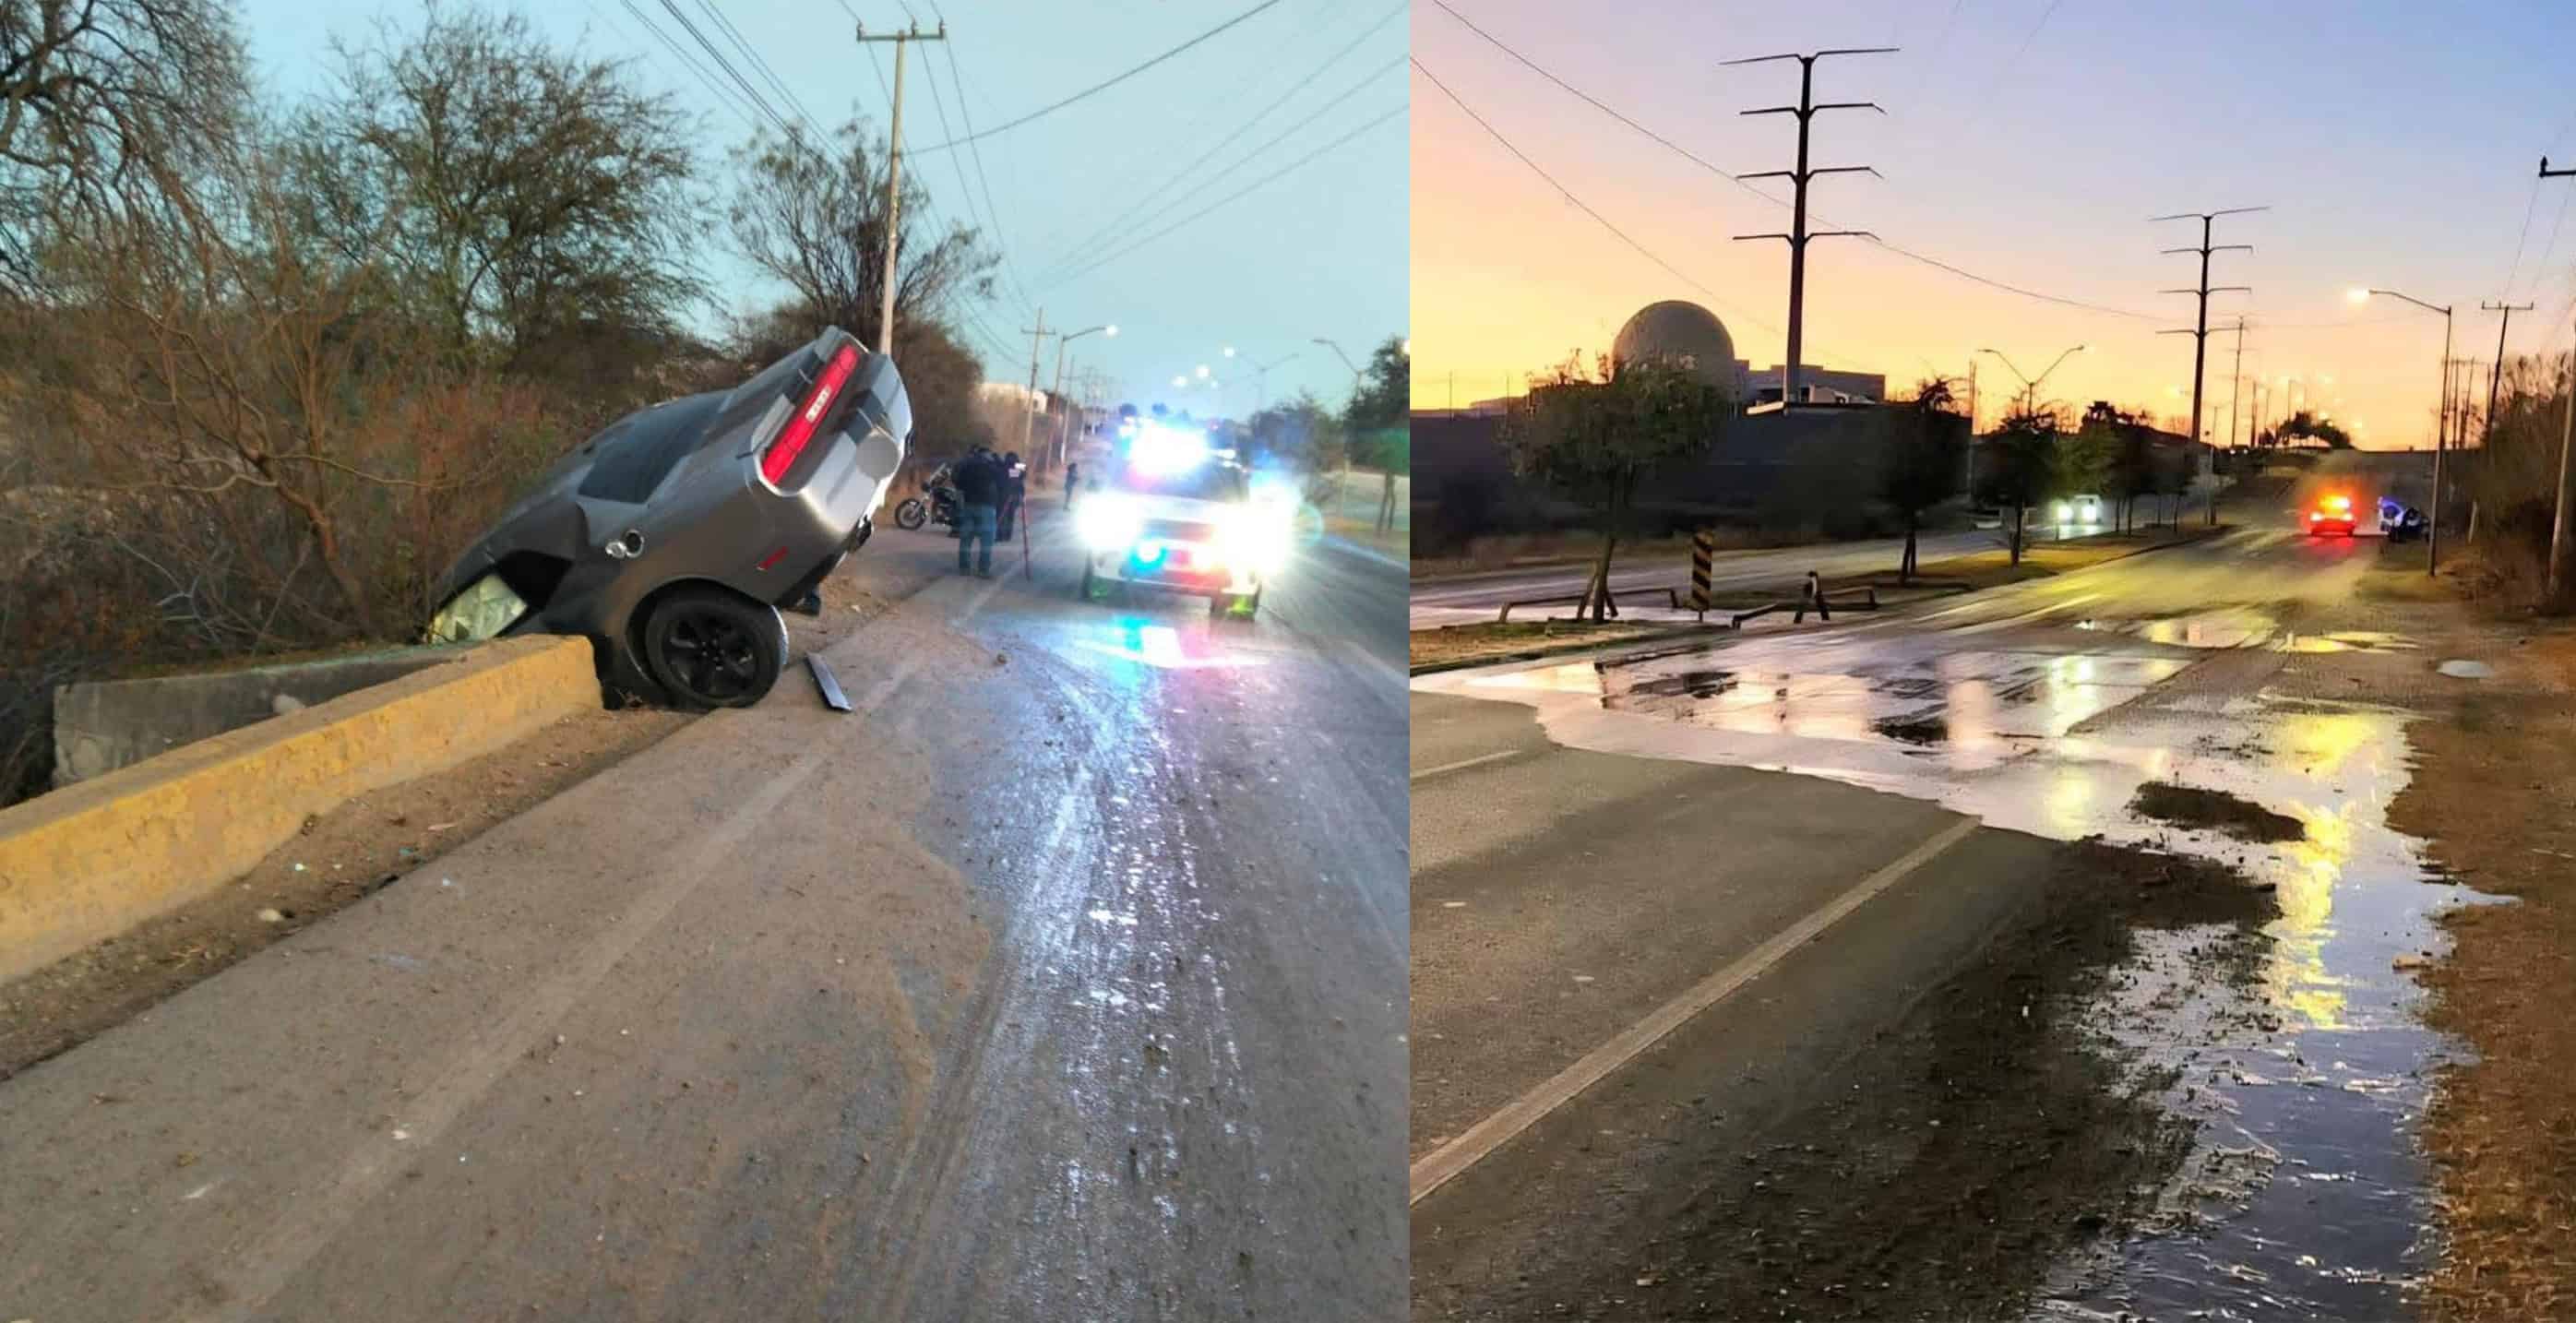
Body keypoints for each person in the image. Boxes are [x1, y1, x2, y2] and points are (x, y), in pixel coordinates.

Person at [950, 446, 1000, 578]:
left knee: (966, 538)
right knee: (986, 540)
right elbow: (1009, 475)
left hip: (968, 505)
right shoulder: (991, 467)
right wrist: (1018, 466)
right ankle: (983, 570)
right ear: (987, 455)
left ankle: (964, 568)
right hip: (987, 506)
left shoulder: (966, 466)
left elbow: (957, 482)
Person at [996, 452, 1027, 543]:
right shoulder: (1018, 467)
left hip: (1006, 494)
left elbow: (1015, 475)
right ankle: (1006, 535)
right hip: (1014, 495)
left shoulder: (1004, 467)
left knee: (1003, 515)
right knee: (1009, 516)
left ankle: (1002, 535)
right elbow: (1021, 475)